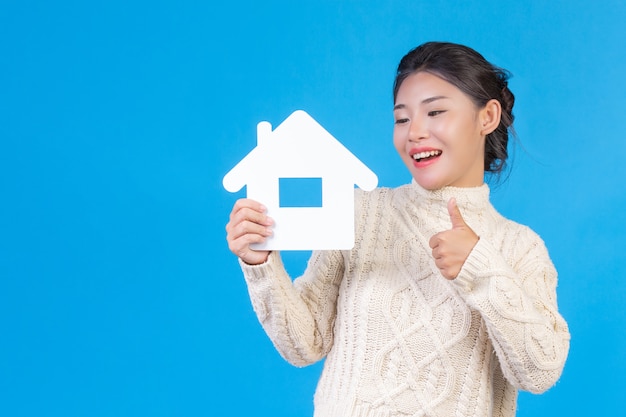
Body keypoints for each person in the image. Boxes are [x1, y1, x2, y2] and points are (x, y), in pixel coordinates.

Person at [225, 41, 570, 417]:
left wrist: (481, 267)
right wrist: (260, 265)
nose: (415, 133)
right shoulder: (361, 213)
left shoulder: (519, 247)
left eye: (435, 112)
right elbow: (305, 343)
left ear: (487, 116)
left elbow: (539, 371)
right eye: (402, 119)